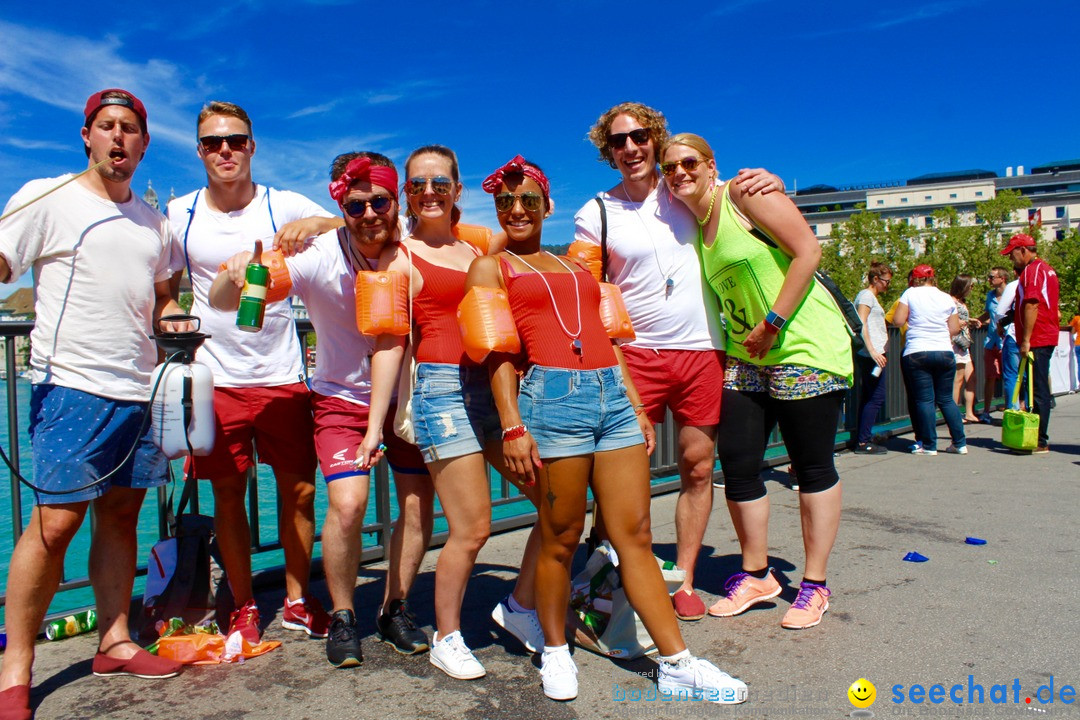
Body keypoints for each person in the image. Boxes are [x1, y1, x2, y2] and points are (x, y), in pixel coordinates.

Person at [469, 155, 747, 703]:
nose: (517, 210)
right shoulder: (492, 267)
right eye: (506, 202)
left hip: (611, 399)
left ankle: (677, 662)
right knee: (561, 536)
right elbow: (498, 354)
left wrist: (637, 406)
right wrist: (511, 425)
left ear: (547, 205)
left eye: (528, 200)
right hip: (551, 402)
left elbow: (606, 337)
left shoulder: (577, 266)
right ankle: (553, 649)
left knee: (635, 535)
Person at [0, 88, 184, 720]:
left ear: (143, 143)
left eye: (129, 129)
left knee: (122, 518)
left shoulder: (154, 224)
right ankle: (16, 668)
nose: (117, 138)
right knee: (54, 525)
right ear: (86, 135)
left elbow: (162, 298)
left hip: (142, 387)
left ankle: (114, 640)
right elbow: (4, 262)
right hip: (70, 384)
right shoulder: (45, 196)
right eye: (106, 126)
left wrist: (175, 317)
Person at [210, 151, 432, 668]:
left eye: (381, 202)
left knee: (418, 508)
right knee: (349, 506)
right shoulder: (316, 257)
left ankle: (394, 608)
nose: (371, 215)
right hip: (339, 400)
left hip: (409, 400)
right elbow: (225, 301)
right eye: (357, 207)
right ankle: (343, 614)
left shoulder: (411, 251)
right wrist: (235, 270)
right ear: (344, 207)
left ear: (395, 201)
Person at [573, 102, 783, 621]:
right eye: (618, 142)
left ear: (655, 139)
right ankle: (620, 576)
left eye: (640, 137)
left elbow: (739, 195)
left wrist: (769, 180)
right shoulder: (596, 212)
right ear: (608, 152)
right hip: (635, 355)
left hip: (703, 350)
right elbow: (582, 290)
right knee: (621, 476)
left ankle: (685, 576)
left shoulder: (687, 190)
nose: (630, 148)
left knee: (696, 466)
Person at [357, 145, 542, 679]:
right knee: (473, 527)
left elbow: (526, 236)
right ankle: (447, 635)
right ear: (405, 196)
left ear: (458, 190)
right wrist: (376, 427)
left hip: (491, 389)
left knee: (555, 502)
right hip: (440, 392)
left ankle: (520, 607)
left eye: (440, 184)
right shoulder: (398, 256)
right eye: (417, 185)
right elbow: (390, 344)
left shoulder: (478, 249)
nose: (429, 193)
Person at [167, 101, 343, 643]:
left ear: (252, 146)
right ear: (199, 150)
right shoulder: (180, 214)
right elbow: (163, 291)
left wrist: (319, 220)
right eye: (214, 142)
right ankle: (242, 604)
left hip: (285, 374)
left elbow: (362, 224)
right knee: (227, 495)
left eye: (236, 140)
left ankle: (295, 598)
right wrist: (171, 320)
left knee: (300, 495)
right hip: (214, 378)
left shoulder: (282, 204)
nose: (226, 150)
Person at [660, 133, 850, 631]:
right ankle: (757, 574)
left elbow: (809, 251)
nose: (679, 173)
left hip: (803, 347)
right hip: (747, 358)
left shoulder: (745, 193)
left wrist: (773, 322)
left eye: (688, 163)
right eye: (670, 167)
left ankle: (813, 585)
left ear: (710, 164)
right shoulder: (694, 223)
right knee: (740, 466)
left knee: (812, 467)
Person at [890, 265, 966, 456]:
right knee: (947, 399)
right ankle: (959, 443)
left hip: (917, 350)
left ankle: (929, 445)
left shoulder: (910, 293)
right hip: (944, 351)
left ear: (916, 279)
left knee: (924, 399)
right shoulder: (946, 297)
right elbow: (955, 328)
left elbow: (898, 321)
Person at [1000, 233, 1059, 453]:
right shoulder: (1047, 269)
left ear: (1023, 250)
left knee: (1037, 388)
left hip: (1038, 336)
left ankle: (1039, 439)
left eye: (1012, 254)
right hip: (1047, 332)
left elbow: (1032, 305)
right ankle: (1038, 436)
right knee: (1038, 385)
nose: (1011, 259)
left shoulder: (1032, 272)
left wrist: (1025, 339)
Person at [853, 262, 892, 454]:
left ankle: (863, 437)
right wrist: (873, 351)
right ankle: (863, 441)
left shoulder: (869, 296)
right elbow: (861, 323)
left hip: (874, 354)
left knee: (871, 396)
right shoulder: (866, 296)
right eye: (886, 281)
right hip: (871, 355)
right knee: (875, 397)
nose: (887, 285)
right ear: (875, 279)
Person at [948, 274, 982, 423]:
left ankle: (969, 412)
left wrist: (970, 320)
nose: (972, 289)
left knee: (971, 378)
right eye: (970, 286)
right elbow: (949, 319)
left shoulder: (962, 302)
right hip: (955, 343)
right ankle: (954, 414)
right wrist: (963, 322)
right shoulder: (950, 301)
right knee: (958, 379)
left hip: (964, 344)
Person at [977, 267, 1009, 423]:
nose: (989, 280)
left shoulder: (1011, 295)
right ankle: (986, 411)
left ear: (1002, 278)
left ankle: (1012, 410)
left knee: (1009, 376)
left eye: (991, 277)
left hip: (1006, 340)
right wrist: (979, 320)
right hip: (991, 341)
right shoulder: (990, 295)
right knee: (990, 376)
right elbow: (988, 313)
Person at [995, 275, 1022, 410]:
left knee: (1012, 375)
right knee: (1029, 375)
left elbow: (1000, 312)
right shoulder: (1039, 283)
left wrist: (999, 325)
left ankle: (1013, 410)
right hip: (1035, 335)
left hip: (1015, 334)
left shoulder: (1014, 285)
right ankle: (1029, 410)